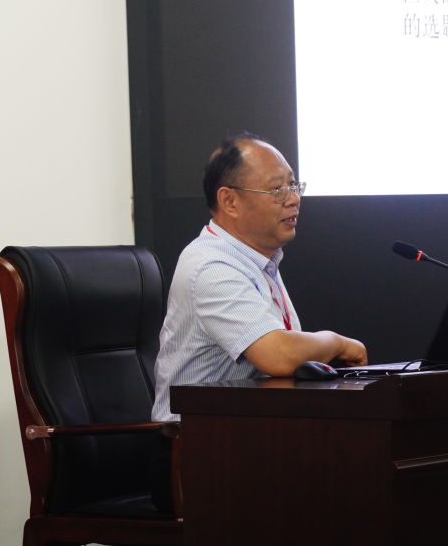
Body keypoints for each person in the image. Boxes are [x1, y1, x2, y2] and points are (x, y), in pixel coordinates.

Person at [148, 132, 367, 512]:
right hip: (196, 455)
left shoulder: (255, 260)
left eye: (294, 185)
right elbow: (277, 356)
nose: (294, 199)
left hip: (247, 441)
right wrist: (337, 342)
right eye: (277, 189)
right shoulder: (212, 267)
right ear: (229, 201)